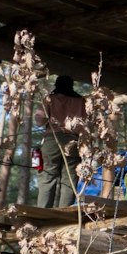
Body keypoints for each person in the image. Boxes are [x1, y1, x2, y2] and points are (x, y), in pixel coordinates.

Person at [35, 76, 87, 208]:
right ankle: (63, 211)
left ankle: (43, 211)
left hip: (52, 139)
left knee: (47, 176)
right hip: (73, 140)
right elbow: (86, 124)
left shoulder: (49, 98)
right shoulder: (81, 101)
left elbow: (40, 121)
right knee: (69, 178)